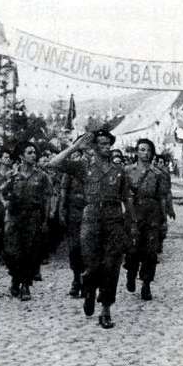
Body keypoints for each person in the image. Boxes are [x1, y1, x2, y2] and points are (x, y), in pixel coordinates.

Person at [48, 128, 136, 329]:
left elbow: (127, 199)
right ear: (94, 146)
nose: (106, 147)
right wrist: (75, 147)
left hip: (113, 218)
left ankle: (106, 309)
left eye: (108, 144)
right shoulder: (83, 166)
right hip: (91, 217)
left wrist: (132, 224)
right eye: (102, 144)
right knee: (91, 264)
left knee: (111, 265)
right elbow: (53, 163)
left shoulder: (119, 170)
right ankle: (89, 289)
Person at [0, 142, 53, 301]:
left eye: (34, 152)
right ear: (21, 156)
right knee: (12, 252)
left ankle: (25, 285)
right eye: (29, 152)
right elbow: (2, 192)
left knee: (30, 252)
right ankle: (15, 279)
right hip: (15, 217)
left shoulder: (42, 176)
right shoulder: (12, 175)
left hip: (33, 217)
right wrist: (5, 203)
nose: (33, 155)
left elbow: (48, 198)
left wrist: (46, 219)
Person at [124, 138, 170, 301]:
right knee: (132, 249)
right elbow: (123, 194)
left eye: (149, 150)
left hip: (152, 213)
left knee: (150, 252)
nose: (146, 153)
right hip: (133, 212)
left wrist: (164, 219)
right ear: (137, 152)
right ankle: (131, 272)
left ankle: (146, 284)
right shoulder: (127, 171)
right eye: (142, 149)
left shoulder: (158, 173)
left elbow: (162, 197)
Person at [58, 148, 87, 298]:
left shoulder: (95, 168)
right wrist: (62, 210)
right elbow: (63, 193)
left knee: (88, 248)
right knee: (75, 248)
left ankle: (86, 281)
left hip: (90, 212)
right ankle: (76, 279)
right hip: (74, 212)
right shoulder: (71, 171)